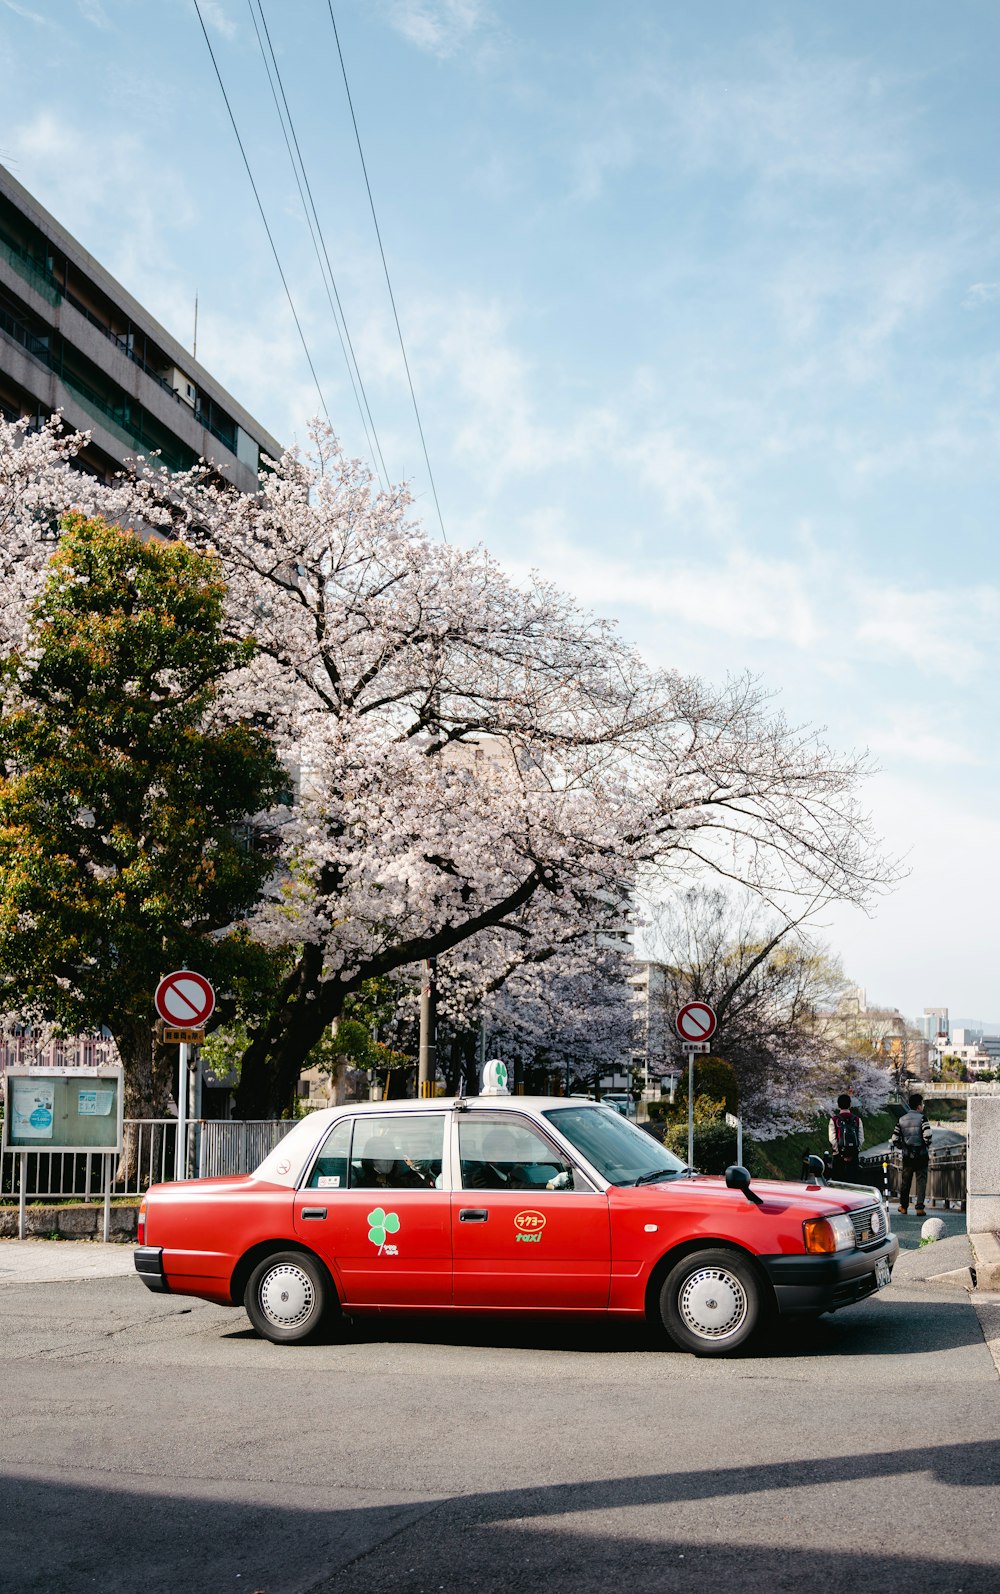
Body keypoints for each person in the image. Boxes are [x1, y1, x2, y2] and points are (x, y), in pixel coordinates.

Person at [891, 1091, 933, 1216]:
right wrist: (926, 1144)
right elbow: (928, 1135)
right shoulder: (922, 1118)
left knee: (906, 1181)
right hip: (921, 1155)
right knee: (921, 1181)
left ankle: (903, 1206)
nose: (923, 1106)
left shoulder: (901, 1119)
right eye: (922, 1104)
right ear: (919, 1106)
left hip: (907, 1155)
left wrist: (902, 1147)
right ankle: (919, 1207)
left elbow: (894, 1138)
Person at [828, 1092, 864, 1182]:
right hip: (853, 1157)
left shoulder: (834, 1120)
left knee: (838, 1183)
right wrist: (854, 1151)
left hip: (838, 1158)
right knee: (852, 1183)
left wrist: (839, 1153)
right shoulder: (857, 1120)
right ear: (850, 1105)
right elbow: (861, 1139)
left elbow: (832, 1139)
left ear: (838, 1105)